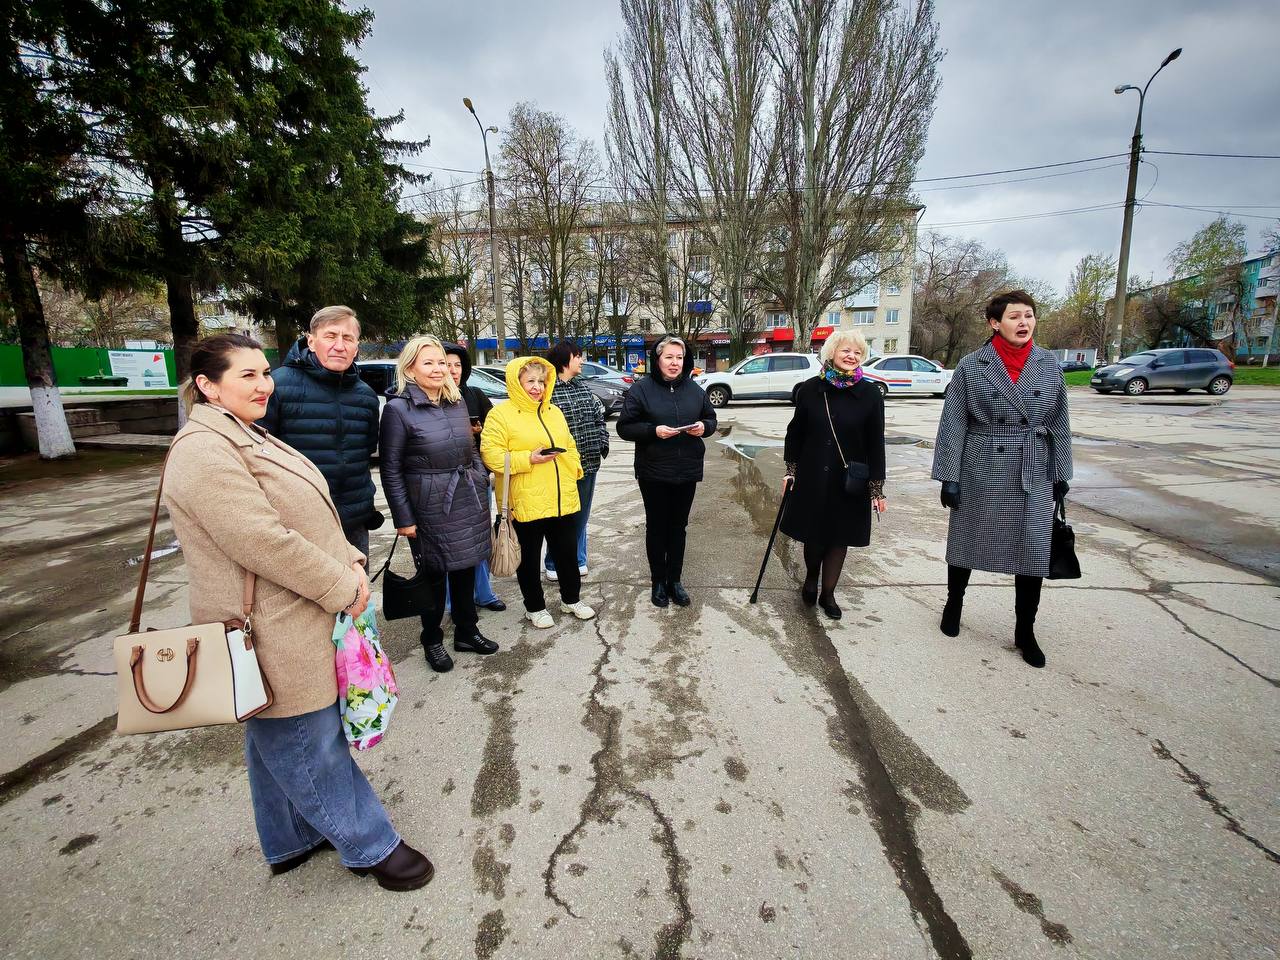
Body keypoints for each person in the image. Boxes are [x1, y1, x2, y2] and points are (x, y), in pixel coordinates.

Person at [164, 334, 433, 891]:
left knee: (278, 738)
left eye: (265, 372)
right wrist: (341, 585)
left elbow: (303, 513)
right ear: (207, 385)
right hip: (267, 622)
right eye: (247, 375)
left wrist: (347, 556)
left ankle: (291, 838)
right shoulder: (204, 449)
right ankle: (371, 845)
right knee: (310, 744)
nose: (264, 385)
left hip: (290, 612)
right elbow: (262, 540)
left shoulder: (242, 431)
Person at [931, 289, 1073, 668]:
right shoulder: (972, 365)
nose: (1024, 322)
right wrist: (948, 477)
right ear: (995, 323)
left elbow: (1059, 422)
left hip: (1033, 468)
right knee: (967, 540)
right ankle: (954, 603)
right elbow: (953, 423)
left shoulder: (1048, 364)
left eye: (1029, 315)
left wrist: (1061, 472)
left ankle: (1025, 630)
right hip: (982, 466)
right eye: (1014, 316)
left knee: (1032, 551)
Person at [380, 336, 497, 673]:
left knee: (466, 568)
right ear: (410, 368)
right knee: (433, 575)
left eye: (442, 363)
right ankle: (432, 638)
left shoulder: (456, 402)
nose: (438, 369)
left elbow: (471, 448)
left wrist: (479, 476)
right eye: (428, 362)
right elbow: (390, 469)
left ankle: (467, 630)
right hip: (428, 504)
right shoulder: (398, 410)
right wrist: (403, 517)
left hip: (467, 496)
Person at [480, 357, 596, 628]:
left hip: (561, 498)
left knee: (567, 554)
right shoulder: (500, 414)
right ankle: (535, 607)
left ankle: (571, 599)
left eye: (541, 381)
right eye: (530, 381)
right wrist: (528, 458)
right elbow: (491, 455)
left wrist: (574, 468)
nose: (537, 387)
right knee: (529, 559)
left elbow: (569, 444)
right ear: (516, 383)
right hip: (525, 499)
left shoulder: (554, 412)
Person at [781, 330, 886, 620]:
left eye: (857, 352)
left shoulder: (870, 394)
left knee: (840, 537)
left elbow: (876, 443)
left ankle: (828, 594)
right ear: (832, 353)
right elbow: (795, 433)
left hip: (850, 481)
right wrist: (791, 471)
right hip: (813, 475)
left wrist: (876, 489)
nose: (851, 356)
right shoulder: (810, 389)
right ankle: (811, 577)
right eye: (846, 351)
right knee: (814, 534)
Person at [260, 305, 380, 556]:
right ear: (311, 341)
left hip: (354, 521)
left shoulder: (365, 395)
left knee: (359, 582)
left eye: (348, 338)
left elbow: (366, 450)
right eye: (330, 336)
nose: (339, 345)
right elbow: (259, 454)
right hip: (299, 524)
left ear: (356, 347)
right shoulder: (276, 387)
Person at [616, 335, 717, 608]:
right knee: (657, 527)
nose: (675, 363)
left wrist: (704, 427)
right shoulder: (641, 389)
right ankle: (658, 581)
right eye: (669, 357)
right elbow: (624, 427)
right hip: (654, 472)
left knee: (678, 527)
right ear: (657, 359)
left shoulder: (694, 389)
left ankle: (675, 580)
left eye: (679, 358)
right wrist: (653, 431)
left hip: (687, 470)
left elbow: (711, 419)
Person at [443, 343, 505, 613]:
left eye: (457, 365)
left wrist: (479, 432)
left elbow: (495, 432)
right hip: (443, 484)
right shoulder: (430, 399)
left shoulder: (474, 395)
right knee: (450, 543)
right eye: (447, 364)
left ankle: (484, 592)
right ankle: (451, 599)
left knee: (479, 537)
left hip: (476, 478)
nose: (452, 370)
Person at [543, 339, 610, 582]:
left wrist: (602, 442)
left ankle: (578, 558)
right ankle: (553, 562)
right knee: (561, 516)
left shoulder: (582, 387)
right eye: (578, 356)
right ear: (564, 360)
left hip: (589, 461)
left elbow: (598, 417)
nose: (582, 360)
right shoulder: (548, 390)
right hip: (561, 466)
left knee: (581, 514)